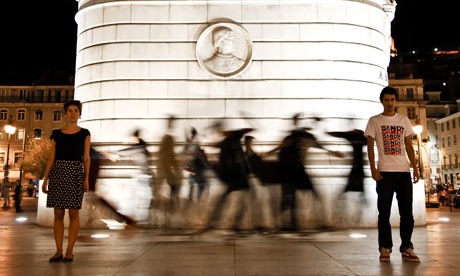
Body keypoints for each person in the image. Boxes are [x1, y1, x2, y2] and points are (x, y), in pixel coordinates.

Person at [364, 86, 420, 262]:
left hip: (403, 171)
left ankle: (407, 247)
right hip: (385, 173)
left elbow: (409, 146)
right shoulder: (374, 121)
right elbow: (370, 147)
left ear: (396, 101)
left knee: (407, 213)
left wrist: (415, 168)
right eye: (386, 100)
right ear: (382, 101)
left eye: (392, 100)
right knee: (384, 213)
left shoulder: (403, 120)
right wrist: (373, 168)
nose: (390, 103)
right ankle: (385, 248)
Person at [42, 100, 91, 263]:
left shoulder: (84, 133)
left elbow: (86, 157)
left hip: (76, 172)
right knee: (58, 212)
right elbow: (51, 156)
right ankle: (58, 251)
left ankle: (70, 250)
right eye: (69, 110)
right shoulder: (57, 133)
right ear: (65, 113)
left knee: (73, 212)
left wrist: (86, 177)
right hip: (58, 171)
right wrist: (46, 178)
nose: (72, 113)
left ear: (80, 113)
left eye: (75, 110)